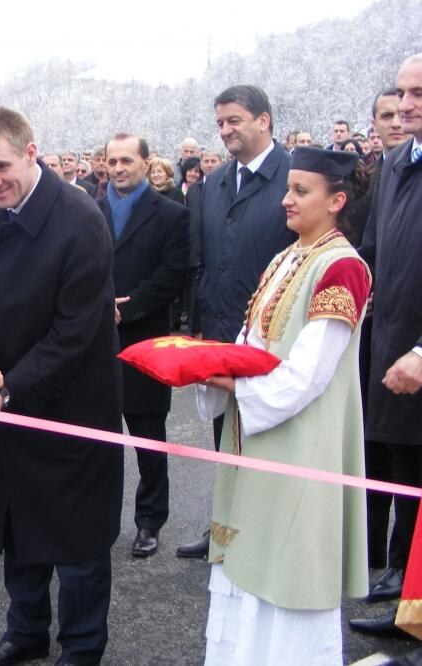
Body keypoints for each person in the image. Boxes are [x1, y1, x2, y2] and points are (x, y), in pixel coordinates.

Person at [0, 107, 123, 666]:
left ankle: (81, 645)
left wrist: (9, 391)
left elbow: (74, 332)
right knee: (18, 527)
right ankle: (25, 631)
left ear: (31, 152)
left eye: (0, 167)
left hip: (73, 403)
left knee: (76, 540)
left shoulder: (80, 218)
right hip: (10, 396)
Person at [197, 147, 371, 664]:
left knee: (288, 569)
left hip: (300, 442)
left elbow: (309, 374)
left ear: (337, 200)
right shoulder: (285, 256)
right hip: (256, 431)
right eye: (287, 189)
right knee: (248, 564)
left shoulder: (344, 267)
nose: (286, 200)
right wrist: (206, 362)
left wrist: (231, 383)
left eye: (301, 191)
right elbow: (251, 342)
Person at [178, 84, 295, 560]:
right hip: (222, 333)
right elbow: (202, 260)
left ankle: (271, 537)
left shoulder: (295, 175)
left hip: (276, 339)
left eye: (235, 121)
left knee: (274, 440)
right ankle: (226, 528)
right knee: (225, 438)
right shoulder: (213, 184)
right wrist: (200, 327)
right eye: (220, 122)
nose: (225, 130)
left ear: (263, 120)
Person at [348, 53, 422, 639]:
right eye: (401, 93)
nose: (405, 105)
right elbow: (371, 253)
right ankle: (406, 597)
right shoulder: (398, 162)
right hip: (389, 346)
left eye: (419, 92)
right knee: (398, 467)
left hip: (417, 354)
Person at [97, 133, 190, 559]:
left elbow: (173, 275)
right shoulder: (90, 210)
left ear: (147, 162)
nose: (118, 168)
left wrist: (127, 308)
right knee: (97, 438)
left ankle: (150, 521)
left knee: (149, 437)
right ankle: (96, 518)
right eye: (112, 161)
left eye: (127, 161)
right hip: (95, 342)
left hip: (145, 339)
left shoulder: (171, 214)